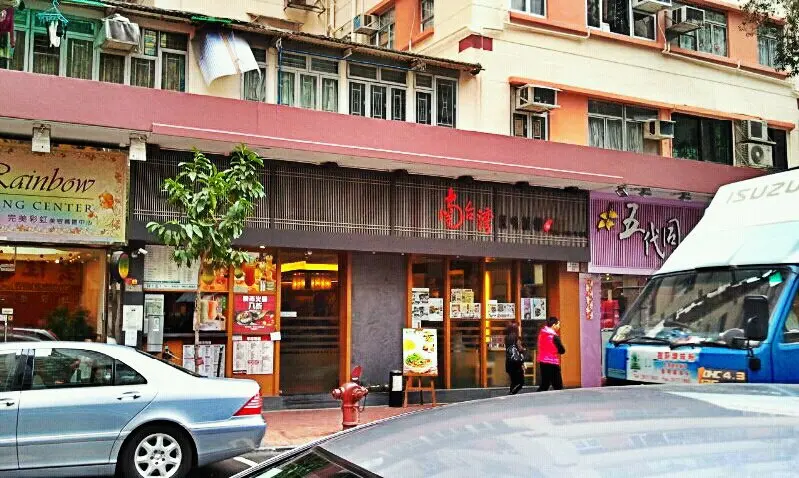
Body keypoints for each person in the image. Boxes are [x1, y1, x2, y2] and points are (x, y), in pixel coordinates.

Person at [537, 316, 566, 391]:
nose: (559, 326)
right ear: (554, 325)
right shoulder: (555, 337)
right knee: (558, 385)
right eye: (558, 324)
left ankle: (536, 396)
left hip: (543, 361)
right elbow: (562, 350)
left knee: (544, 384)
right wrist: (556, 351)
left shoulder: (541, 334)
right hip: (552, 362)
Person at [505, 323, 526, 395]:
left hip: (509, 362)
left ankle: (511, 393)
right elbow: (520, 349)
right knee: (521, 382)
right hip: (516, 363)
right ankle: (512, 393)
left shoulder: (507, 338)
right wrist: (524, 349)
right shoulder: (516, 338)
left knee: (513, 381)